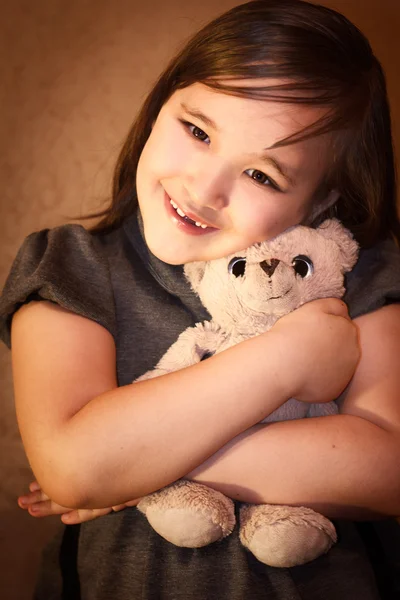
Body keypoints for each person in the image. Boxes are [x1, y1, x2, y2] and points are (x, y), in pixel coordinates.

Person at [1, 0, 400, 598]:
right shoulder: (74, 265)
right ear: (160, 105)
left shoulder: (356, 274)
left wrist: (133, 468)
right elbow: (73, 465)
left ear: (319, 203)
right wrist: (287, 358)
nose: (204, 188)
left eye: (262, 175)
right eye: (197, 131)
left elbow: (389, 470)